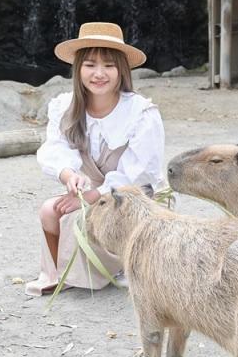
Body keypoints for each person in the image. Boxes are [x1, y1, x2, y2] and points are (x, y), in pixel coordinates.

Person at [24, 22, 166, 296]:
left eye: (109, 66)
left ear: (121, 70)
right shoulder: (64, 106)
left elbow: (139, 173)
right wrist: (69, 175)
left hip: (132, 195)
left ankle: (121, 265)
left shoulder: (141, 112)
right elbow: (55, 149)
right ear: (78, 69)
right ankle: (54, 273)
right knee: (48, 210)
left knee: (77, 218)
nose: (99, 74)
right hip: (90, 189)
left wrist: (93, 196)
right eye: (90, 65)